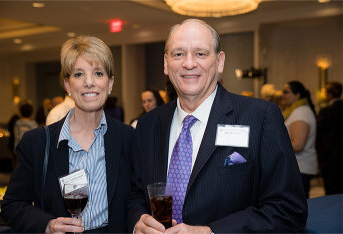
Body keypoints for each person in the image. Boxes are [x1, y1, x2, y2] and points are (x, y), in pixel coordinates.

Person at [128, 19, 307, 233]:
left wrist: (210, 231)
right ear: (166, 63)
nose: (189, 63)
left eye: (201, 54)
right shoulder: (148, 124)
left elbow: (288, 210)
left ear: (220, 62)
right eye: (178, 54)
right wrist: (137, 222)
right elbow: (135, 194)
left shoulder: (260, 117)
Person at [1, 35, 134, 233]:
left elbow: (136, 198)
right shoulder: (38, 142)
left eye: (98, 73)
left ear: (110, 83)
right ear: (67, 85)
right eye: (79, 74)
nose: (89, 82)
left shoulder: (127, 138)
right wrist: (48, 224)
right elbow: (11, 207)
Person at [282, 81, 318, 198]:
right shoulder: (296, 110)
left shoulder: (301, 113)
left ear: (297, 95)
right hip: (298, 167)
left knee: (297, 203)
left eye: (286, 92)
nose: (283, 95)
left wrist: (274, 148)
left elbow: (298, 145)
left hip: (300, 167)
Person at [316, 81, 342, 195]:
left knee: (331, 189)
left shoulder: (326, 111)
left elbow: (320, 135)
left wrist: (320, 157)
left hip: (329, 156)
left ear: (330, 94)